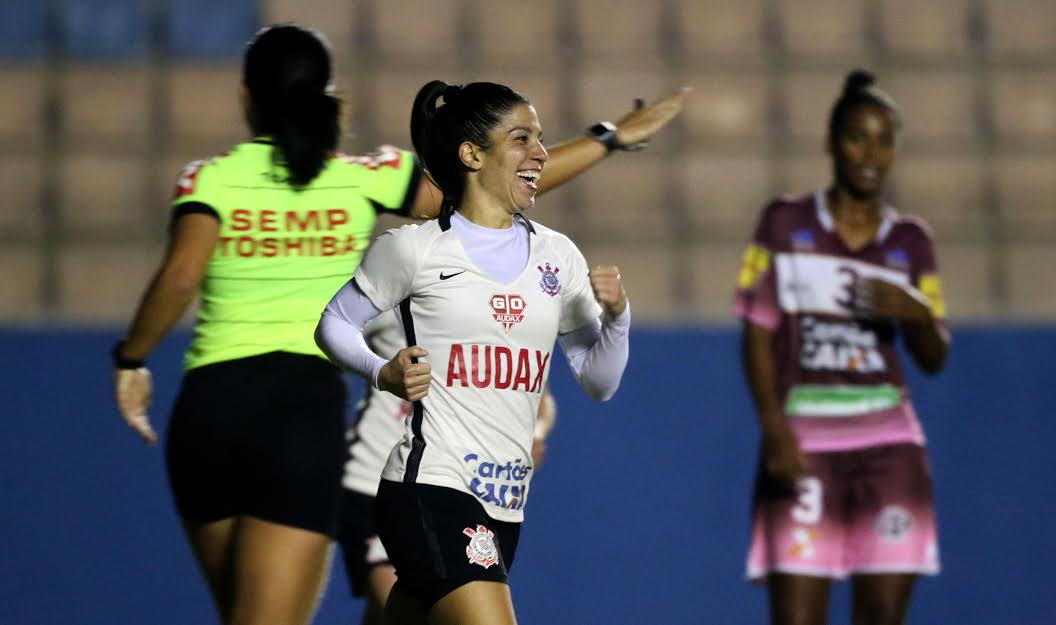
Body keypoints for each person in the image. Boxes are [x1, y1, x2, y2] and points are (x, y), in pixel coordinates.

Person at [110, 22, 686, 625]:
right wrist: (606, 139)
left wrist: (131, 359)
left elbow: (180, 277)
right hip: (306, 415)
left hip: (211, 404)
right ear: (329, 99)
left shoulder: (210, 178)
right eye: (523, 142)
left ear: (247, 97)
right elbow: (478, 194)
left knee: (245, 612)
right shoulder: (363, 179)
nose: (532, 155)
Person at [315, 79, 632, 625]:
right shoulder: (415, 249)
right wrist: (381, 371)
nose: (540, 154)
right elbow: (334, 324)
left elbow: (599, 381)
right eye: (521, 138)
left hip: (505, 504)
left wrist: (619, 318)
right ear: (471, 154)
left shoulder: (558, 256)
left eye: (540, 138)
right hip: (429, 484)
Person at [733, 69, 950, 625]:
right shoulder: (784, 224)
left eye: (884, 140)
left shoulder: (910, 242)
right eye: (858, 137)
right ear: (831, 143)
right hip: (804, 448)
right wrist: (774, 430)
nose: (871, 153)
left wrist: (916, 313)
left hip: (891, 449)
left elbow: (934, 357)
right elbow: (757, 333)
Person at [338, 309, 557, 625]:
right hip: (372, 479)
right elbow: (333, 328)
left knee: (404, 610)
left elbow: (540, 399)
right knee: (395, 598)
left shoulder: (484, 312)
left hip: (450, 487)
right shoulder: (389, 291)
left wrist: (533, 435)